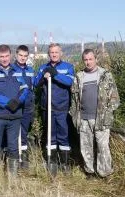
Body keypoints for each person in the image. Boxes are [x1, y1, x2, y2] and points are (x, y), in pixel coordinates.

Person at [70, 49, 120, 178]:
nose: (88, 62)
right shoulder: (79, 77)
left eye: (90, 59)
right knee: (86, 147)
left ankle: (105, 173)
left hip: (101, 119)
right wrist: (75, 116)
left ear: (95, 59)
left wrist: (108, 112)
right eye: (85, 60)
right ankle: (90, 172)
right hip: (84, 119)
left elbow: (114, 97)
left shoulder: (105, 75)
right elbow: (74, 99)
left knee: (103, 148)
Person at [0, 44, 28, 176]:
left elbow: (25, 89)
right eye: (1, 56)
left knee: (13, 147)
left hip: (15, 116)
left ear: (11, 56)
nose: (4, 59)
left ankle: (12, 177)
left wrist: (18, 101)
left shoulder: (18, 71)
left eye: (6, 56)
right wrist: (8, 103)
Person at [33, 43, 75, 174]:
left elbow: (70, 82)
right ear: (48, 54)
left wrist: (55, 75)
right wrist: (43, 77)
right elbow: (35, 83)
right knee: (50, 136)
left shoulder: (68, 67)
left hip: (62, 108)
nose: (54, 54)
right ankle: (52, 163)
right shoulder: (43, 67)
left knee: (63, 136)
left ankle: (65, 163)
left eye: (56, 52)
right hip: (48, 108)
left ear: (60, 53)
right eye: (52, 52)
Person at [12, 45, 35, 170]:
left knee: (24, 133)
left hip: (27, 107)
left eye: (25, 56)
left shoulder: (30, 70)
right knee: (14, 132)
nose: (22, 58)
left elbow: (34, 85)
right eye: (20, 55)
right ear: (16, 55)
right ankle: (14, 157)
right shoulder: (11, 69)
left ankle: (24, 160)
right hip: (15, 107)